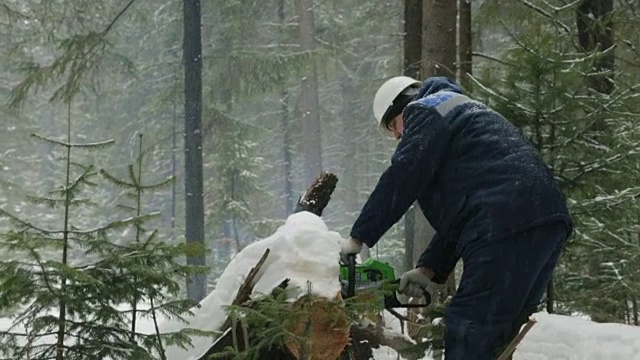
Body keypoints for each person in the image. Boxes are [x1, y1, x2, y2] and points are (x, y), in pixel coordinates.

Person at [339, 76, 573, 359]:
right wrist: (428, 268)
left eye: (393, 127)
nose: (398, 136)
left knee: (468, 325)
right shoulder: (464, 115)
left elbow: (404, 175)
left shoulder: (425, 109)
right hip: (546, 217)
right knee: (502, 335)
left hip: (504, 217)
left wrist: (358, 236)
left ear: (401, 106)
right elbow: (468, 210)